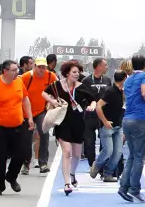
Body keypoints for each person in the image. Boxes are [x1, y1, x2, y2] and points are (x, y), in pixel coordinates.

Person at [0, 60, 35, 197]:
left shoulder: (19, 82)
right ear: (5, 71)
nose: (17, 72)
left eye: (17, 70)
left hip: (17, 125)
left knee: (23, 152)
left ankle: (11, 176)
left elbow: (25, 100)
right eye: (14, 70)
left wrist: (30, 118)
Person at [43, 60, 96, 196]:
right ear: (67, 73)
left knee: (77, 155)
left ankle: (72, 174)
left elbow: (93, 100)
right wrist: (52, 101)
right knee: (67, 152)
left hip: (78, 124)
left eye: (78, 72)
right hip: (62, 123)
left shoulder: (82, 87)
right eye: (74, 72)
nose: (77, 74)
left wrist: (92, 106)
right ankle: (67, 182)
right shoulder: (57, 85)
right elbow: (44, 93)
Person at [119, 54, 145, 204]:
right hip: (139, 119)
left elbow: (126, 95)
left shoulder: (129, 79)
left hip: (127, 119)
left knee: (132, 155)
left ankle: (124, 186)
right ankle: (134, 189)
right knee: (139, 157)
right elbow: (144, 93)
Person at [21, 58, 57, 175]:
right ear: (34, 66)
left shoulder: (50, 76)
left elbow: (58, 89)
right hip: (27, 111)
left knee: (44, 133)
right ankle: (26, 163)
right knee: (26, 138)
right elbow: (19, 92)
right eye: (39, 67)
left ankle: (43, 163)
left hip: (42, 110)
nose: (42, 69)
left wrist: (53, 101)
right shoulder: (27, 77)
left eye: (44, 67)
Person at [92, 71, 126, 182]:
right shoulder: (110, 91)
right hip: (107, 126)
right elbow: (99, 105)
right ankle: (96, 165)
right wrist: (104, 121)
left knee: (118, 152)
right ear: (124, 79)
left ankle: (108, 173)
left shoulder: (122, 92)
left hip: (118, 125)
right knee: (108, 150)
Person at [83, 58, 111, 170]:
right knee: (89, 142)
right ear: (98, 66)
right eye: (105, 65)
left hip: (103, 115)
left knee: (105, 142)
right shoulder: (86, 81)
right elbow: (82, 97)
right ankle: (91, 164)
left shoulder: (108, 80)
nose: (107, 67)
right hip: (89, 115)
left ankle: (101, 164)